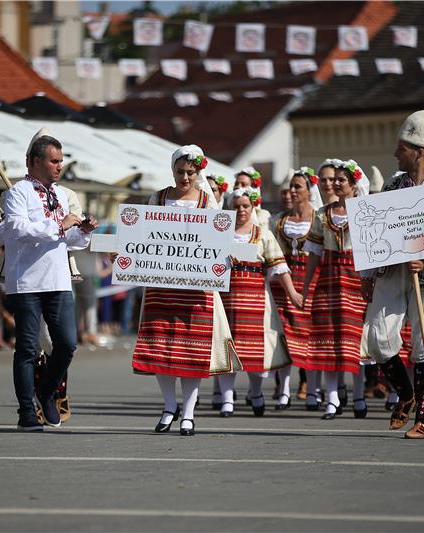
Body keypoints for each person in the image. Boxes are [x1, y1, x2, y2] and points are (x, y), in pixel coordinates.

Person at [362, 110, 424, 439]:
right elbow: (375, 232)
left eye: (401, 148)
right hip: (393, 272)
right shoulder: (392, 186)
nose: (395, 153)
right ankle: (404, 393)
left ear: (419, 151)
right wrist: (368, 272)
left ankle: (423, 418)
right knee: (377, 338)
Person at [132, 145, 239, 436]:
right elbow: (141, 234)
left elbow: (220, 238)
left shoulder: (208, 201)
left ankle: (189, 413)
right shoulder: (158, 197)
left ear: (198, 172)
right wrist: (126, 253)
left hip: (196, 288)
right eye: (180, 172)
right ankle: (169, 406)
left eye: (190, 172)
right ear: (172, 170)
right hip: (161, 284)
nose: (185, 177)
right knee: (162, 348)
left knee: (191, 351)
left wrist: (225, 254)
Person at [0, 135, 97, 431]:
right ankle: (26, 411)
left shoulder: (62, 195)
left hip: (59, 279)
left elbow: (70, 242)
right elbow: (18, 229)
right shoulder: (18, 193)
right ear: (36, 161)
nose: (59, 166)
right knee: (26, 349)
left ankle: (46, 392)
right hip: (25, 281)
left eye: (61, 161)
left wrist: (83, 230)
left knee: (66, 344)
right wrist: (59, 225)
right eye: (54, 161)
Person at [216, 187, 303, 416]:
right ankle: (227, 399)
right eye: (237, 206)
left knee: (255, 351)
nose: (241, 210)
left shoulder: (262, 233)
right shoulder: (219, 233)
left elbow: (280, 266)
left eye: (246, 206)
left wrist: (292, 293)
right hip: (226, 299)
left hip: (256, 298)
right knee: (228, 348)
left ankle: (255, 393)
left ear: (252, 207)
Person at [301, 159, 370, 420]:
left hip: (356, 280)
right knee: (327, 341)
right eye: (333, 180)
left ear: (354, 184)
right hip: (329, 281)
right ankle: (332, 399)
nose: (335, 184)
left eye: (341, 180)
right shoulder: (322, 214)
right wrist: (306, 286)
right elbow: (315, 254)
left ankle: (359, 396)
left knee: (355, 342)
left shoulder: (365, 211)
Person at [269, 167, 323, 408]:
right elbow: (275, 255)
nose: (292, 190)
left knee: (312, 337)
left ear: (309, 191)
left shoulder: (319, 218)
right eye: (291, 186)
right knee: (285, 337)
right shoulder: (280, 221)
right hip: (286, 282)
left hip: (313, 281)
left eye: (297, 186)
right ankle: (283, 391)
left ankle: (312, 390)